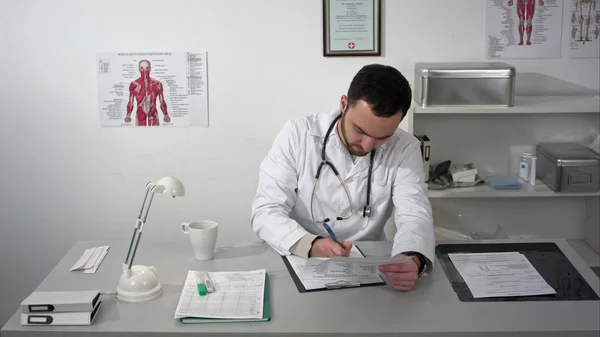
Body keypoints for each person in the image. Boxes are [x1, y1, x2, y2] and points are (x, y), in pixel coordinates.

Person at [250, 64, 434, 292]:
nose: (367, 145)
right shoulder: (298, 134)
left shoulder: (405, 148)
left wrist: (412, 257)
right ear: (344, 104)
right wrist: (310, 244)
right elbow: (266, 210)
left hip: (371, 269)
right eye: (360, 131)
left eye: (382, 138)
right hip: (299, 258)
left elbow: (415, 213)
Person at [125, 60, 171, 126]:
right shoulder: (134, 84)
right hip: (140, 114)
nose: (144, 71)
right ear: (139, 69)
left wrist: (166, 114)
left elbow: (162, 102)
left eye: (147, 68)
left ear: (150, 68)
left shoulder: (157, 84)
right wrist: (128, 115)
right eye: (142, 68)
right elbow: (130, 102)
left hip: (153, 113)